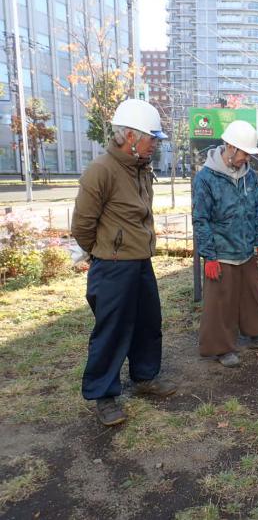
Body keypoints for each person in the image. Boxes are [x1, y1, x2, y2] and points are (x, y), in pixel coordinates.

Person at [71, 99, 176, 426]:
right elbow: (82, 226)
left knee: (148, 322)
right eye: (151, 138)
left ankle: (145, 377)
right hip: (113, 265)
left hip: (140, 261)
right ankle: (103, 395)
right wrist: (103, 251)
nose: (155, 144)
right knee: (113, 330)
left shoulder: (140, 168)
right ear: (130, 137)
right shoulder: (101, 170)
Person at [192, 120, 258, 368]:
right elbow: (201, 219)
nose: (247, 158)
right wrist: (209, 256)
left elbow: (256, 209)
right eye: (245, 153)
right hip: (221, 252)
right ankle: (221, 347)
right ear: (230, 147)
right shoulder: (206, 178)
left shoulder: (249, 176)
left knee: (253, 292)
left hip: (245, 249)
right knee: (220, 301)